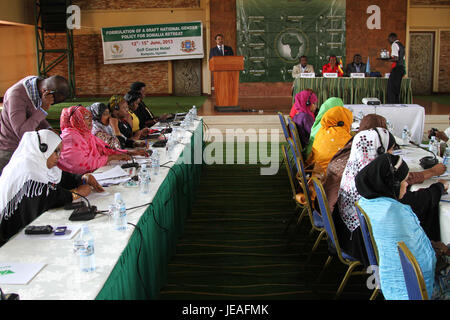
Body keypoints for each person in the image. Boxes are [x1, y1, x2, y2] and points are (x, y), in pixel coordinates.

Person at [356, 153, 449, 300]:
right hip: (421, 290)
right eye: (404, 182)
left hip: (391, 283)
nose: (406, 186)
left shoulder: (368, 202)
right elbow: (425, 261)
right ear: (392, 184)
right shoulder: (395, 213)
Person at [0, 130, 103, 246]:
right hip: (9, 237)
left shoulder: (41, 163)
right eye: (55, 151)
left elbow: (65, 178)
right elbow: (45, 199)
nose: (58, 157)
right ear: (43, 149)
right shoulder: (28, 170)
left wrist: (84, 178)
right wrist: (75, 193)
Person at [0, 75, 70, 174]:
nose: (51, 104)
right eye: (53, 101)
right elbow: (23, 133)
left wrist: (48, 129)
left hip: (25, 148)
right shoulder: (16, 95)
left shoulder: (37, 85)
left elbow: (33, 115)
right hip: (10, 150)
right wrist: (43, 109)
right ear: (45, 91)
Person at [57, 105, 134, 175]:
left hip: (91, 174)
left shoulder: (86, 134)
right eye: (86, 118)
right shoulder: (71, 137)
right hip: (75, 180)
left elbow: (105, 148)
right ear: (75, 120)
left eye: (90, 117)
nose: (90, 120)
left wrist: (129, 153)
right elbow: (81, 165)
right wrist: (111, 157)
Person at [306, 106, 353, 174]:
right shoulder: (345, 137)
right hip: (329, 180)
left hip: (315, 177)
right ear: (342, 122)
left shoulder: (321, 131)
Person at [386, 33, 406, 104]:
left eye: (389, 39)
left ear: (392, 38)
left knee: (391, 87)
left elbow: (396, 58)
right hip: (401, 68)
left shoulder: (394, 44)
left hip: (397, 68)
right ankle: (397, 103)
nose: (388, 40)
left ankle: (392, 103)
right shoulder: (401, 45)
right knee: (397, 87)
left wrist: (387, 59)